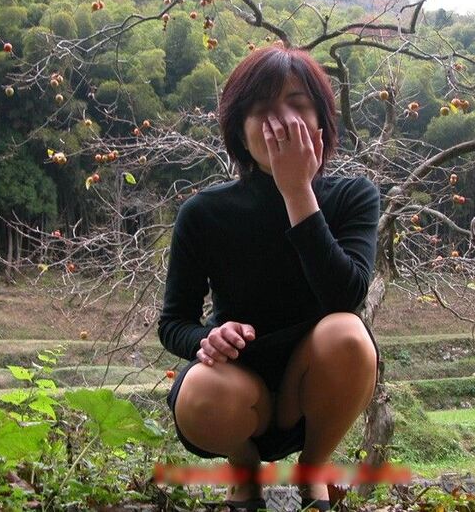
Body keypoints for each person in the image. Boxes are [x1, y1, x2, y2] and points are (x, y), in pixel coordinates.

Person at [157, 45, 381, 512]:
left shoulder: (352, 196)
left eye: (297, 104)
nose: (281, 122)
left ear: (321, 122)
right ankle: (244, 466)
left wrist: (297, 191)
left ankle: (312, 468)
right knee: (198, 392)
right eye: (262, 109)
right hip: (239, 386)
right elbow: (174, 322)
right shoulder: (203, 213)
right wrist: (207, 339)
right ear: (240, 131)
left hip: (314, 390)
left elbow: (346, 296)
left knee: (347, 332)